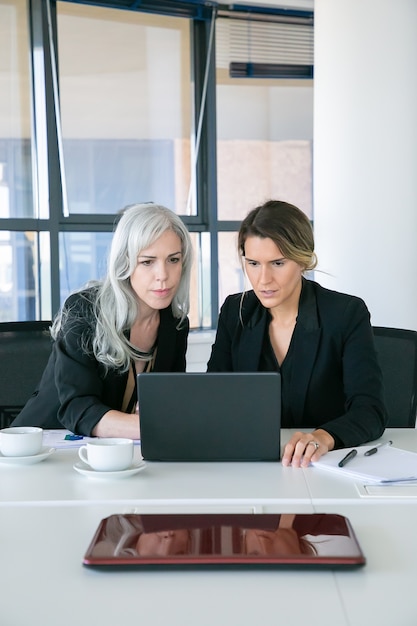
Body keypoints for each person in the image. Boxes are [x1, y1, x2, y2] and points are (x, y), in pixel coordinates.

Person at [207, 199, 387, 467]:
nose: (263, 279)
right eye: (253, 263)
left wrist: (323, 437)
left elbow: (370, 410)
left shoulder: (346, 313)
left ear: (302, 260)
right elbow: (213, 397)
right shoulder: (236, 311)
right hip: (252, 465)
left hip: (324, 465)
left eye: (278, 263)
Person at [12, 203, 193, 439]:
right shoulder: (85, 310)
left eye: (173, 260)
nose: (163, 275)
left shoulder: (175, 325)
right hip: (45, 447)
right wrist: (153, 426)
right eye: (147, 262)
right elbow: (77, 409)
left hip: (117, 454)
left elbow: (169, 403)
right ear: (125, 263)